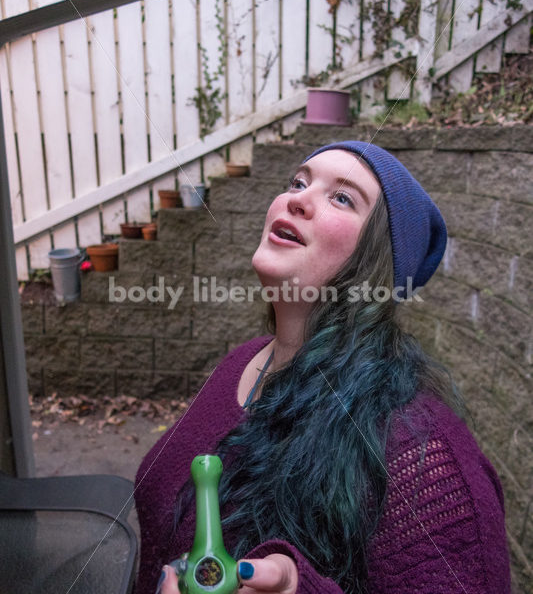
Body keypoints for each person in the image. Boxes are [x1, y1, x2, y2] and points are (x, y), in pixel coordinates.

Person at [134, 141, 511, 594]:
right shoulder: (240, 363)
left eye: (342, 197)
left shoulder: (423, 456)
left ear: (376, 265)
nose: (297, 198)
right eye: (298, 182)